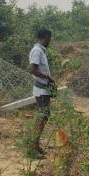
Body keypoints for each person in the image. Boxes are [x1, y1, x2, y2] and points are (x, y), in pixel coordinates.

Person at [29, 27, 56, 158]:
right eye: (49, 38)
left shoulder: (41, 50)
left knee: (44, 115)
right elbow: (32, 70)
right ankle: (33, 146)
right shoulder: (37, 51)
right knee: (43, 115)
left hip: (44, 88)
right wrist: (48, 78)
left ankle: (35, 145)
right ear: (45, 37)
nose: (50, 40)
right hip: (41, 89)